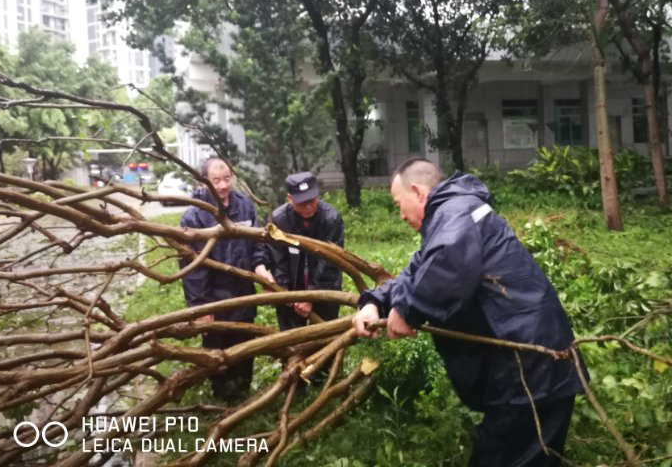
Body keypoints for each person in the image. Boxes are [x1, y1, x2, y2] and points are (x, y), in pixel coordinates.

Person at [352, 159, 585, 467]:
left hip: (529, 368)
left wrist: (407, 310)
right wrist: (375, 302)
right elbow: (416, 270)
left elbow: (447, 264)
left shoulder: (456, 215)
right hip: (529, 366)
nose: (400, 214)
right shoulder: (452, 216)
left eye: (399, 204)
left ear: (417, 191)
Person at [179, 157, 275, 401]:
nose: (222, 186)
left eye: (226, 179)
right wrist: (200, 306)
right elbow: (192, 266)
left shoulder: (245, 206)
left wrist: (261, 267)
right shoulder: (194, 215)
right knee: (216, 346)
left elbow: (257, 244)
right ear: (204, 182)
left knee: (244, 342)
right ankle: (221, 394)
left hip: (243, 291)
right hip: (213, 296)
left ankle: (243, 390)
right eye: (216, 181)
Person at [267, 171, 344, 331]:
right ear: (290, 199)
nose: (309, 207)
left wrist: (311, 296)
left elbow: (329, 263)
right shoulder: (279, 220)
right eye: (302, 203)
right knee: (291, 339)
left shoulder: (331, 218)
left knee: (326, 335)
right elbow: (277, 259)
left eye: (312, 200)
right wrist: (285, 291)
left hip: (324, 288)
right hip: (291, 291)